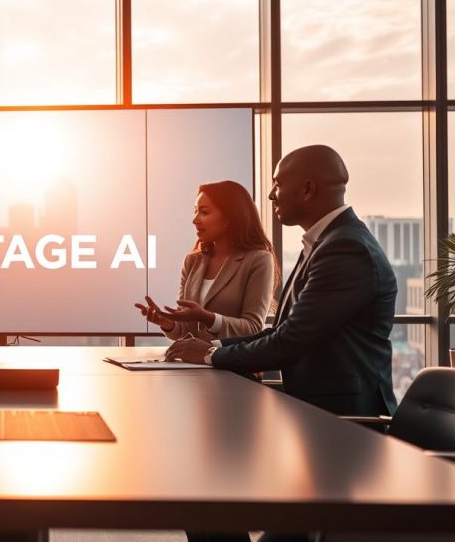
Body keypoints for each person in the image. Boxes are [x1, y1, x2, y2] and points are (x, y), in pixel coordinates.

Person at [166, 145, 398, 420]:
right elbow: (283, 330)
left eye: (277, 184)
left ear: (307, 190)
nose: (270, 195)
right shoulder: (324, 243)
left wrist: (210, 356)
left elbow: (290, 341)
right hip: (318, 413)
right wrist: (214, 348)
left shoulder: (345, 248)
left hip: (345, 421)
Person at [134, 180, 278, 343]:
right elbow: (185, 331)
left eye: (204, 212)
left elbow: (252, 328)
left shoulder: (258, 260)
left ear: (229, 217)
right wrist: (166, 322)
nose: (195, 220)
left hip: (231, 366)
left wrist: (207, 318)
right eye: (195, 211)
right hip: (195, 364)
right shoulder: (193, 261)